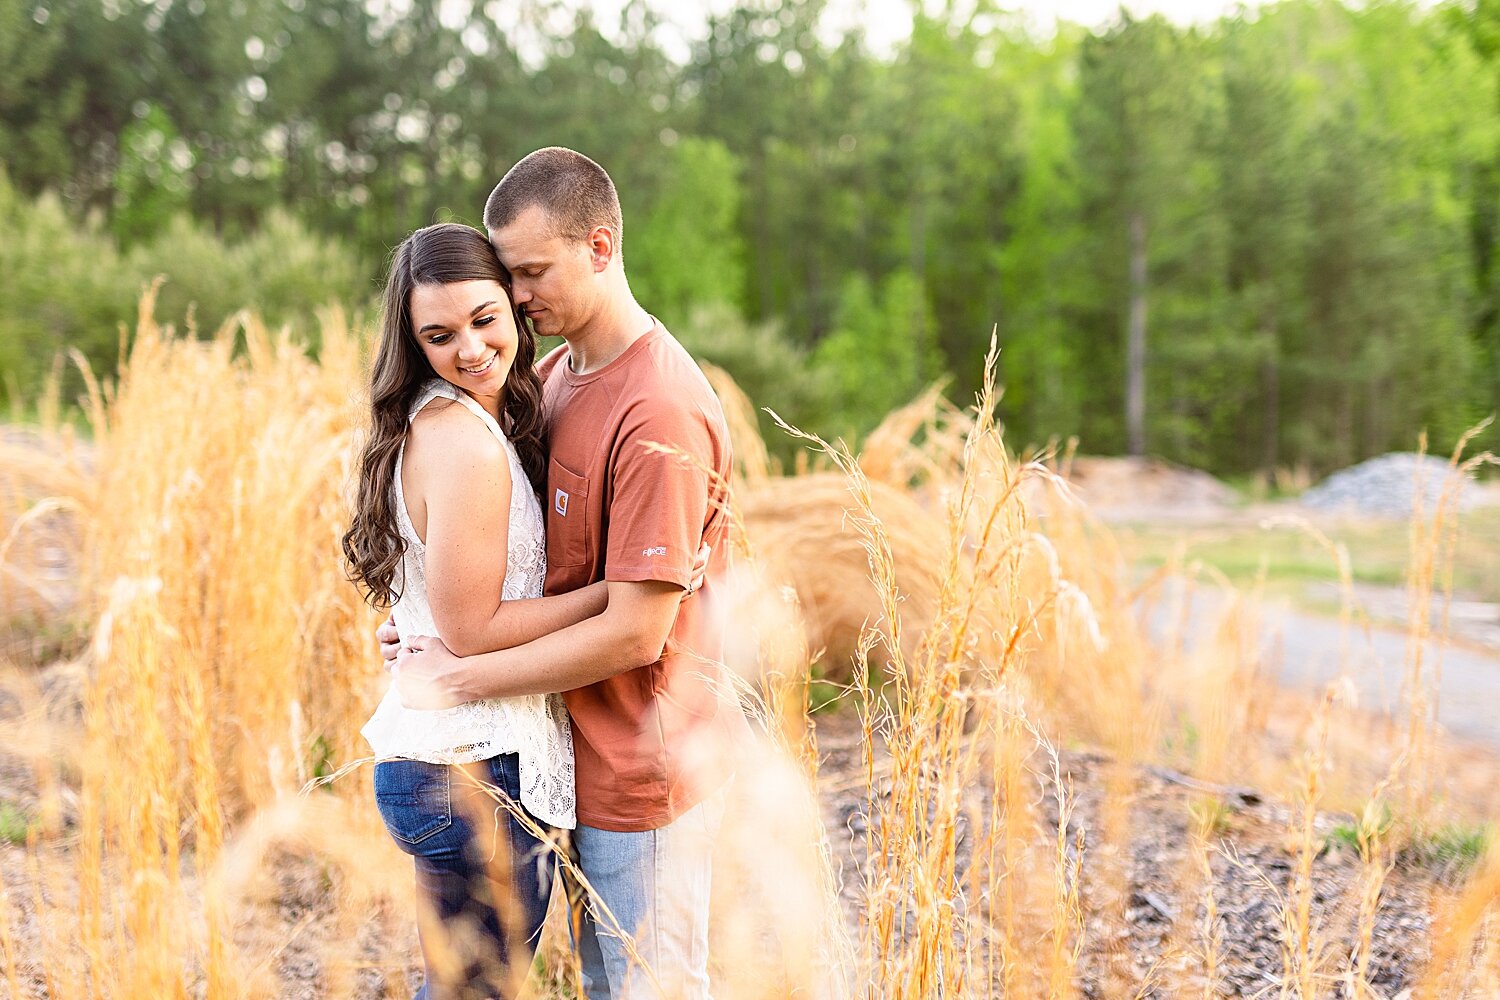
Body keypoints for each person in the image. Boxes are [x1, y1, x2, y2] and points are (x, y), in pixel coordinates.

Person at [380, 147, 752, 1000]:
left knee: (644, 987)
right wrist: (424, 621)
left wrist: (461, 675)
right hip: (557, 757)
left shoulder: (658, 405)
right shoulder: (547, 376)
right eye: (507, 274)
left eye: (533, 271)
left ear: (601, 244)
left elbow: (635, 630)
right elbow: (509, 560)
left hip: (641, 771)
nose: (517, 297)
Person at [343, 221, 606, 1000]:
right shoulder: (461, 440)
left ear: (514, 307)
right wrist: (614, 596)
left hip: (457, 761)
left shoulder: (460, 419)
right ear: (412, 342)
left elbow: (440, 607)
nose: (470, 348)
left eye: (485, 319)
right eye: (439, 334)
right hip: (472, 772)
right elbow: (472, 629)